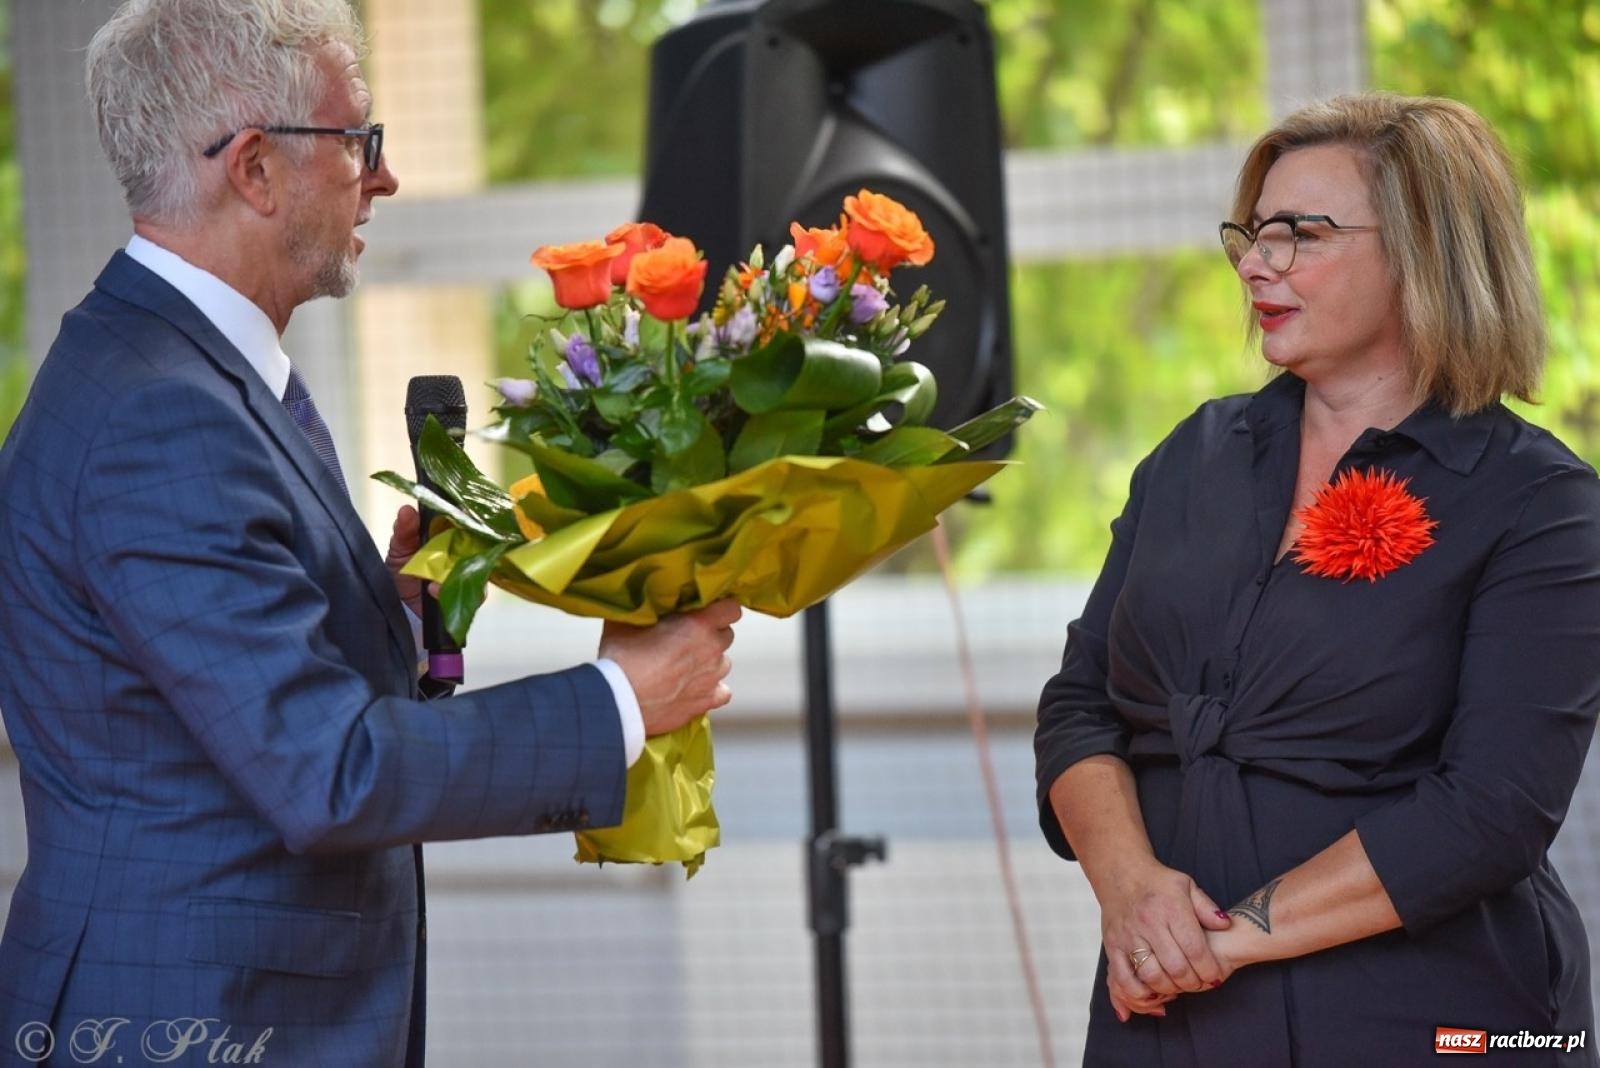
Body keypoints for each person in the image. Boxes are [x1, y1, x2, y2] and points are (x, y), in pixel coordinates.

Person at [0, 1, 739, 1064]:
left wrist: (380, 611)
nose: (382, 178)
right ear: (252, 168)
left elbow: (220, 690)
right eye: (358, 142)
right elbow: (325, 772)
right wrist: (621, 701)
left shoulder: (184, 370)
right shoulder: (157, 415)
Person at [1035, 92, 1600, 1066]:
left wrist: (1216, 942)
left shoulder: (1539, 500)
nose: (1257, 263)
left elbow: (1490, 813)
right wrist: (1131, 894)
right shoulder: (1192, 455)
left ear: (1426, 249)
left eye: (1299, 234)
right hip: (1163, 1014)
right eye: (1252, 235)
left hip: (1428, 1023)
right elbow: (1079, 708)